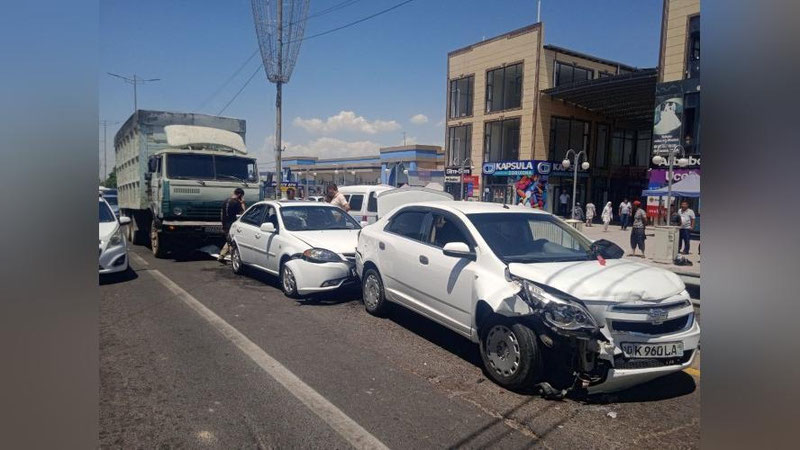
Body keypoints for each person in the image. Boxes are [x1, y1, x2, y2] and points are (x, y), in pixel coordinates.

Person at [218, 188, 246, 263]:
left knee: (229, 239)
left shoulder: (225, 201)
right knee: (232, 242)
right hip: (232, 224)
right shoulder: (236, 203)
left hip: (225, 224)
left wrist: (222, 224)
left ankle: (221, 255)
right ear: (240, 195)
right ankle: (233, 260)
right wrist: (243, 203)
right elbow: (243, 214)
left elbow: (221, 214)